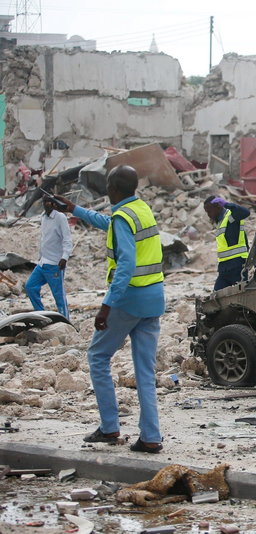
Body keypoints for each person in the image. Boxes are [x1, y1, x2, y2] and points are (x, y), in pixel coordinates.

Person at [57, 166, 165, 453]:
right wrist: (76, 209)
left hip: (129, 300)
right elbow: (111, 224)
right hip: (154, 298)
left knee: (98, 356)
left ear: (113, 189)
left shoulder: (122, 217)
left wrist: (106, 307)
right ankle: (151, 436)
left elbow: (126, 266)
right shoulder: (140, 209)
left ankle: (109, 427)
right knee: (145, 371)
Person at [25, 195, 73, 319]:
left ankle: (66, 321)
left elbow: (67, 240)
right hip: (42, 263)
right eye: (44, 201)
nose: (46, 204)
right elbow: (44, 238)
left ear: (54, 204)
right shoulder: (43, 217)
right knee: (30, 286)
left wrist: (64, 258)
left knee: (59, 296)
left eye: (49, 202)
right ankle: (41, 315)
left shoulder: (60, 217)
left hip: (55, 264)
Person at [204, 196, 252, 290]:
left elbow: (246, 212)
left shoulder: (231, 216)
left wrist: (226, 204)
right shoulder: (219, 222)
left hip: (237, 265)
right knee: (217, 297)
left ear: (218, 206)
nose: (208, 215)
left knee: (240, 297)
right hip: (224, 268)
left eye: (209, 211)